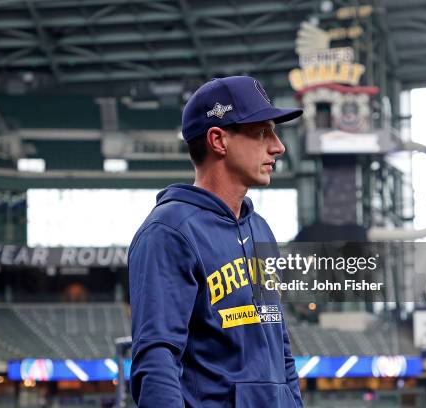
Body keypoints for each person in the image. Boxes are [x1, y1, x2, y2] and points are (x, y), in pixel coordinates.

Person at [129, 76, 304, 407]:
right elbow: (156, 360)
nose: (278, 146)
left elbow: (281, 352)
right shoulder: (168, 231)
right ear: (218, 140)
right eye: (262, 132)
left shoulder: (261, 229)